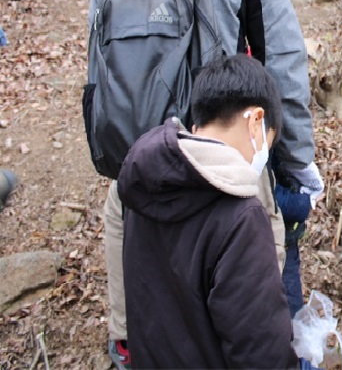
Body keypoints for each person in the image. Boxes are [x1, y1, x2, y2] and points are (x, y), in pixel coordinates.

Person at [87, 0, 324, 368]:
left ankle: (128, 346)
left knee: (140, 256)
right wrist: (296, 159)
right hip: (214, 148)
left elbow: (95, 62)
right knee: (263, 246)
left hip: (137, 155)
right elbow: (279, 54)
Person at [118, 55, 315, 369]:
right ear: (255, 121)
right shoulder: (241, 216)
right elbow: (262, 356)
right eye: (268, 140)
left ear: (197, 126)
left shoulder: (144, 184)